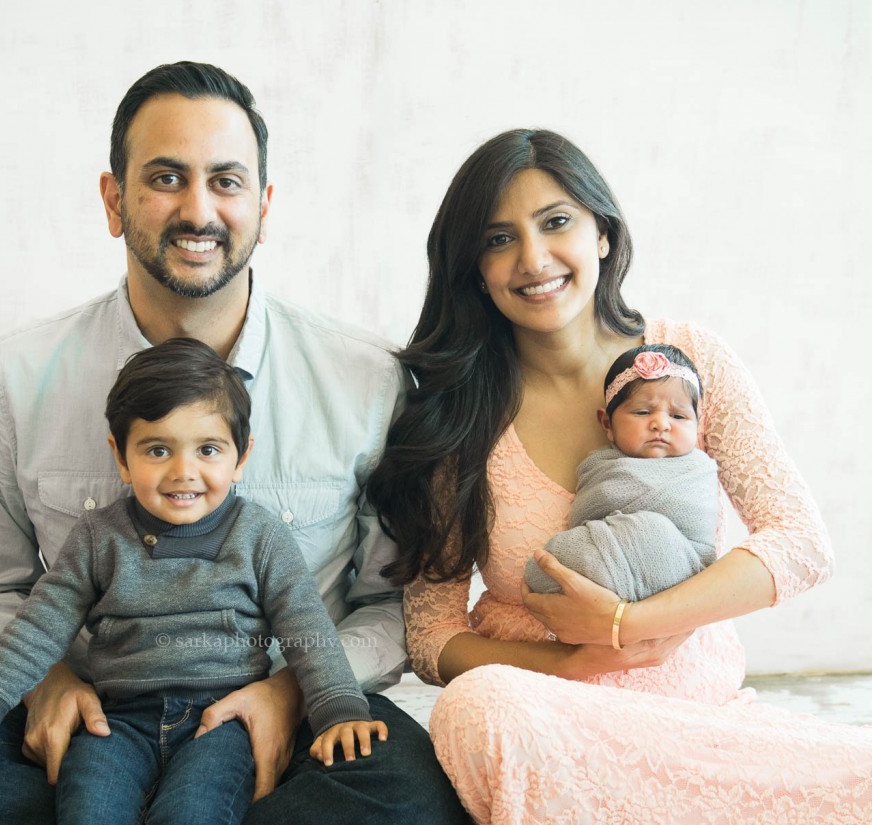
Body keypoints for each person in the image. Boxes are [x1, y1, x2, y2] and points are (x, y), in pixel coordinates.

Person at [0, 62, 466, 825]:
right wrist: (48, 685)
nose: (198, 209)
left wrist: (287, 693)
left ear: (264, 207)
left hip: (295, 714)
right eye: (167, 177)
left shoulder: (365, 379)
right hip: (93, 718)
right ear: (114, 200)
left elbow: (386, 605)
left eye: (227, 181)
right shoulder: (17, 374)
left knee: (416, 799)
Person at [367, 128, 872, 822]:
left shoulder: (691, 360)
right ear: (473, 268)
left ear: (601, 232)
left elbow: (801, 541)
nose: (533, 258)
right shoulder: (457, 413)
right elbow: (429, 632)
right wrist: (568, 667)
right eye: (498, 239)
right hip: (552, 718)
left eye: (555, 222)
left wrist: (631, 622)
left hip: (700, 724)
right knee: (476, 705)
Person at [0, 337, 388, 824]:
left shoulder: (260, 536)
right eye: (158, 450)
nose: (184, 472)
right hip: (117, 721)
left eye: (208, 449)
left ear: (241, 457)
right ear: (120, 457)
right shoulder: (100, 538)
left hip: (221, 722)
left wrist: (340, 710)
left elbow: (307, 628)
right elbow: (36, 628)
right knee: (87, 810)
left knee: (191, 814)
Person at [524, 344, 719, 603]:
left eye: (678, 415)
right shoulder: (599, 466)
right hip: (607, 569)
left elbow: (701, 537)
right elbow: (585, 516)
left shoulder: (699, 472)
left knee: (653, 532)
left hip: (683, 577)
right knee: (548, 563)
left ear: (697, 425)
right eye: (642, 412)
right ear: (607, 423)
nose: (660, 423)